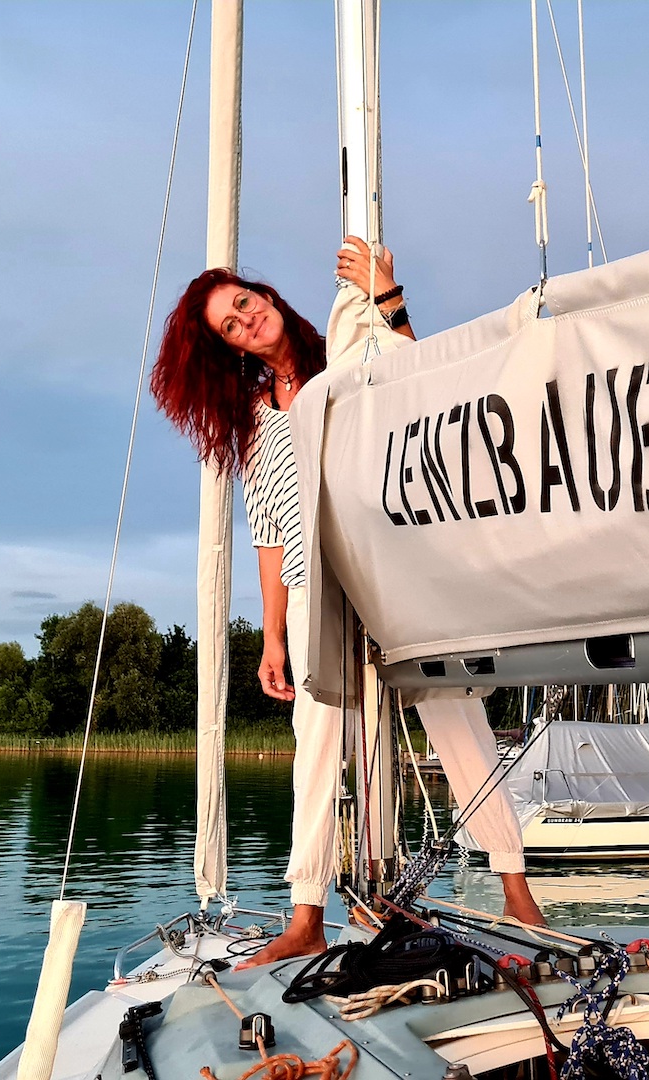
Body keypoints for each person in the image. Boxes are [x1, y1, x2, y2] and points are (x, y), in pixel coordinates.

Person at [150, 237, 544, 967]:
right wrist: (271, 634)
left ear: (263, 294)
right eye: (229, 327)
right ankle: (306, 915)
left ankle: (519, 893)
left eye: (244, 303)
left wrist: (389, 300)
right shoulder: (256, 418)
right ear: (226, 349)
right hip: (311, 588)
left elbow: (421, 389)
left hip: (392, 569)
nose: (246, 321)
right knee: (317, 746)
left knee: (457, 722)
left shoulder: (346, 353)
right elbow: (269, 529)